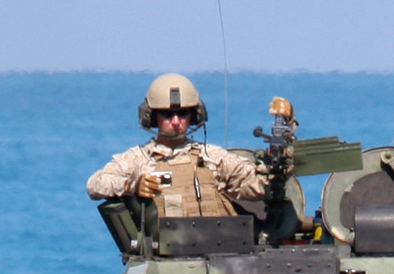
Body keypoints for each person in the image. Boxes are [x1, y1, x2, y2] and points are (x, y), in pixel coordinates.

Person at [85, 75, 270, 217]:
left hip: (219, 253)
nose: (175, 122)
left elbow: (253, 184)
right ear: (152, 117)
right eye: (167, 115)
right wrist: (133, 185)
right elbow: (95, 184)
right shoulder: (138, 159)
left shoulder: (211, 156)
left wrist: (276, 171)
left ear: (194, 116)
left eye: (182, 114)